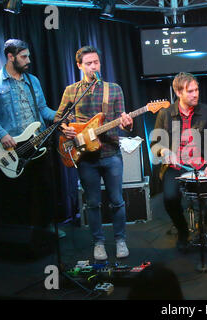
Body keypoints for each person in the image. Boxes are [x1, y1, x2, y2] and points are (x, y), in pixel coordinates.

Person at [56, 46, 133, 260]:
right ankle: (98, 242)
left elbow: (123, 121)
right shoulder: (72, 91)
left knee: (117, 200)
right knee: (92, 202)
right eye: (88, 63)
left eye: (96, 62)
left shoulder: (114, 89)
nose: (93, 66)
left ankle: (120, 240)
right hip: (84, 156)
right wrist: (65, 129)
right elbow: (57, 118)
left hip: (111, 153)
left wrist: (127, 123)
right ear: (79, 66)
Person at [150, 72, 207, 252]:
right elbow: (155, 144)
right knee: (170, 198)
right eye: (190, 91)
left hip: (201, 164)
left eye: (196, 90)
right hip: (176, 166)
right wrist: (165, 151)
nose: (195, 94)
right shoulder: (165, 114)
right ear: (179, 92)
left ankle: (206, 223)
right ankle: (183, 231)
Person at [0, 39, 58, 230]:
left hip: (37, 144)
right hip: (12, 148)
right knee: (18, 194)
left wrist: (59, 115)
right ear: (10, 57)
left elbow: (43, 109)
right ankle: (22, 234)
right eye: (23, 57)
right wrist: (1, 134)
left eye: (28, 56)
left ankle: (44, 231)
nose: (28, 60)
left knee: (43, 189)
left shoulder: (33, 81)